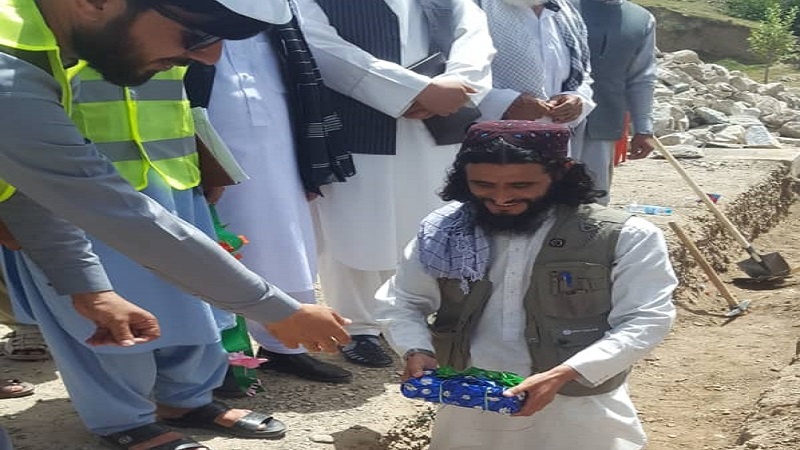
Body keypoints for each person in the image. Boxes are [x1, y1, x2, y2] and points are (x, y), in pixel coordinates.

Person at [0, 0, 351, 448]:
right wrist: (277, 310)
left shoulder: (37, 47)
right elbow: (110, 209)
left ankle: (183, 399)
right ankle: (122, 418)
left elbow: (32, 190)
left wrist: (89, 289)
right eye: (199, 34)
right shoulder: (10, 74)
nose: (210, 58)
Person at [376, 120, 677, 449]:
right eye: (483, 184)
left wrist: (566, 372)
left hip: (578, 407)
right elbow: (403, 301)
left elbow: (646, 319)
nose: (500, 198)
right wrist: (416, 349)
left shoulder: (625, 236)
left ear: (560, 173)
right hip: (471, 402)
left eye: (521, 185)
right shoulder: (443, 232)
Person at [294, 0, 495, 367]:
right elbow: (320, 45)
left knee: (429, 221)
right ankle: (358, 326)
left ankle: (418, 317)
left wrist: (453, 87)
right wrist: (410, 90)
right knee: (354, 224)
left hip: (438, 124)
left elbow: (474, 38)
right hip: (358, 121)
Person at [193, 6, 355, 383]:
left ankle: (285, 346)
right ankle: (219, 356)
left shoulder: (277, 8)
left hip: (278, 127)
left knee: (283, 239)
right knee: (209, 242)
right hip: (207, 122)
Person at [476, 0, 594, 154]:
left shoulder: (566, 11)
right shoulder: (474, 6)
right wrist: (504, 104)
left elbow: (583, 74)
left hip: (554, 145)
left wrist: (577, 99)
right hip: (488, 146)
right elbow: (454, 73)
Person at [572, 0, 658, 205]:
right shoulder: (560, 7)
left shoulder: (642, 20)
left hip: (604, 120)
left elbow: (641, 77)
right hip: (555, 119)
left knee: (593, 196)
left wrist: (643, 128)